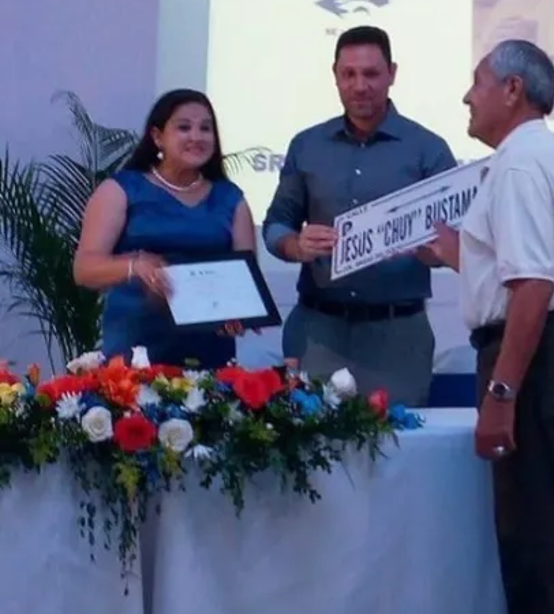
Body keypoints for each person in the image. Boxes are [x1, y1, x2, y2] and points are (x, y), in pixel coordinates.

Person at [424, 40, 554, 614]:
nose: (467, 97)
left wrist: (501, 395)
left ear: (512, 90)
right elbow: (531, 271)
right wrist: (458, 254)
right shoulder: (553, 161)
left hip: (537, 358)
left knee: (538, 553)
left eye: (477, 82)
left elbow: (533, 286)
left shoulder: (519, 164)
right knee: (552, 541)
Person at [262, 25, 457, 406]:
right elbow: (275, 225)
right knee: (310, 440)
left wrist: (430, 252)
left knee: (401, 441)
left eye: (371, 73)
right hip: (318, 332)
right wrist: (295, 245)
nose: (359, 85)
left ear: (392, 74)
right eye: (348, 74)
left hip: (398, 337)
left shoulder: (428, 149)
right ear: (335, 75)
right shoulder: (306, 145)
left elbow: (457, 245)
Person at [73, 89, 257, 368]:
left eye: (205, 128)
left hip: (210, 351)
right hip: (135, 350)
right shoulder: (121, 189)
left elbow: (244, 280)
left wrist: (239, 314)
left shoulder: (231, 198)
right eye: (184, 127)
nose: (196, 137)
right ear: (158, 137)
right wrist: (135, 266)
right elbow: (84, 270)